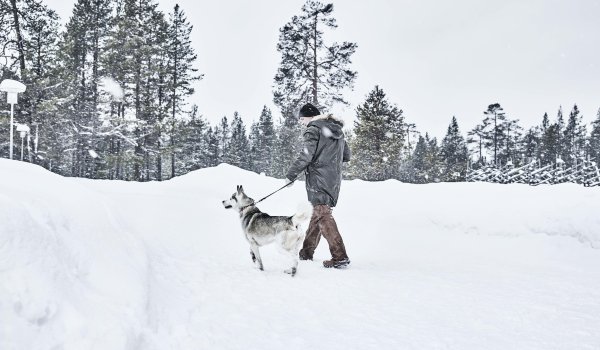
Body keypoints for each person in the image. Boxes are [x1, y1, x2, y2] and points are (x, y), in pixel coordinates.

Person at [285, 103, 351, 269]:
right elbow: (346, 156)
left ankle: (340, 256)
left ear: (310, 116)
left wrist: (291, 175)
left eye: (302, 119)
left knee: (322, 214)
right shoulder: (337, 129)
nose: (301, 123)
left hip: (318, 178)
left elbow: (306, 156)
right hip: (333, 179)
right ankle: (306, 252)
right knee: (318, 213)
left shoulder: (313, 128)